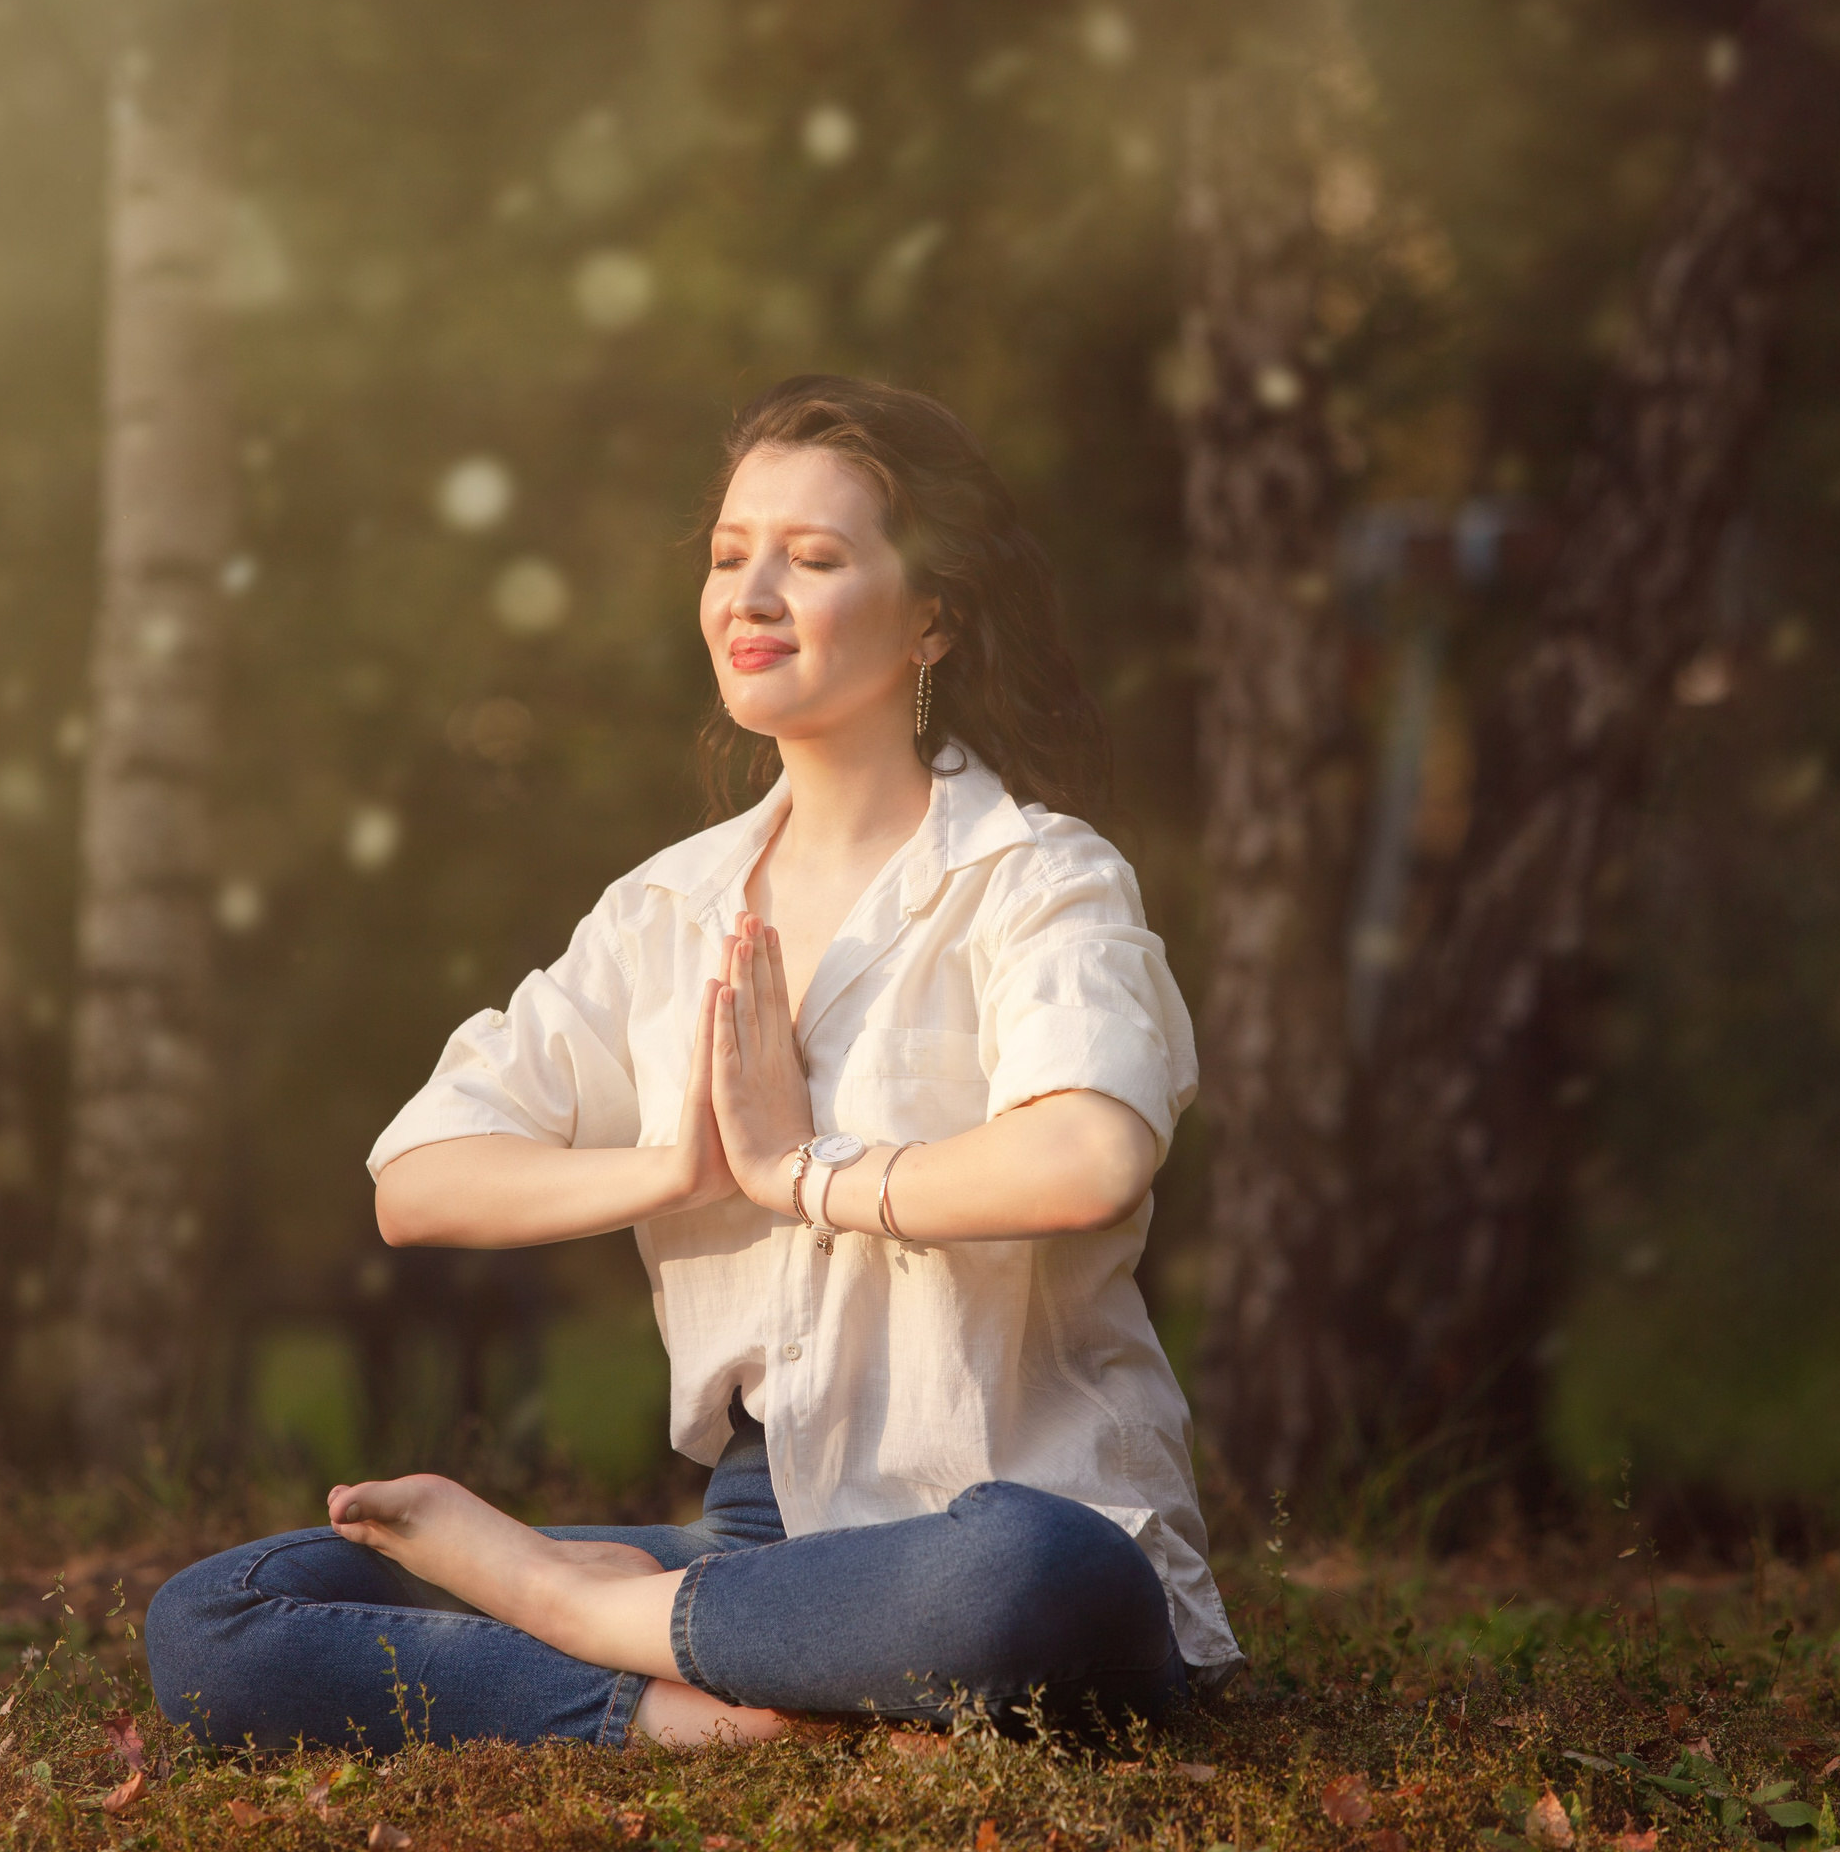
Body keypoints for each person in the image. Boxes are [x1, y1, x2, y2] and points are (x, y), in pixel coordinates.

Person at [145, 374, 1244, 1754]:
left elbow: (1088, 1155)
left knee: (1039, 1579)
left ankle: (589, 1616)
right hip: (756, 1539)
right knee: (223, 1611)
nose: (753, 595)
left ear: (936, 617)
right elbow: (417, 1179)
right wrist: (675, 1160)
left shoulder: (1039, 881)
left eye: (817, 558)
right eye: (732, 557)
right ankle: (724, 1721)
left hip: (991, 1522)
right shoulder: (666, 912)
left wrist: (805, 1173)